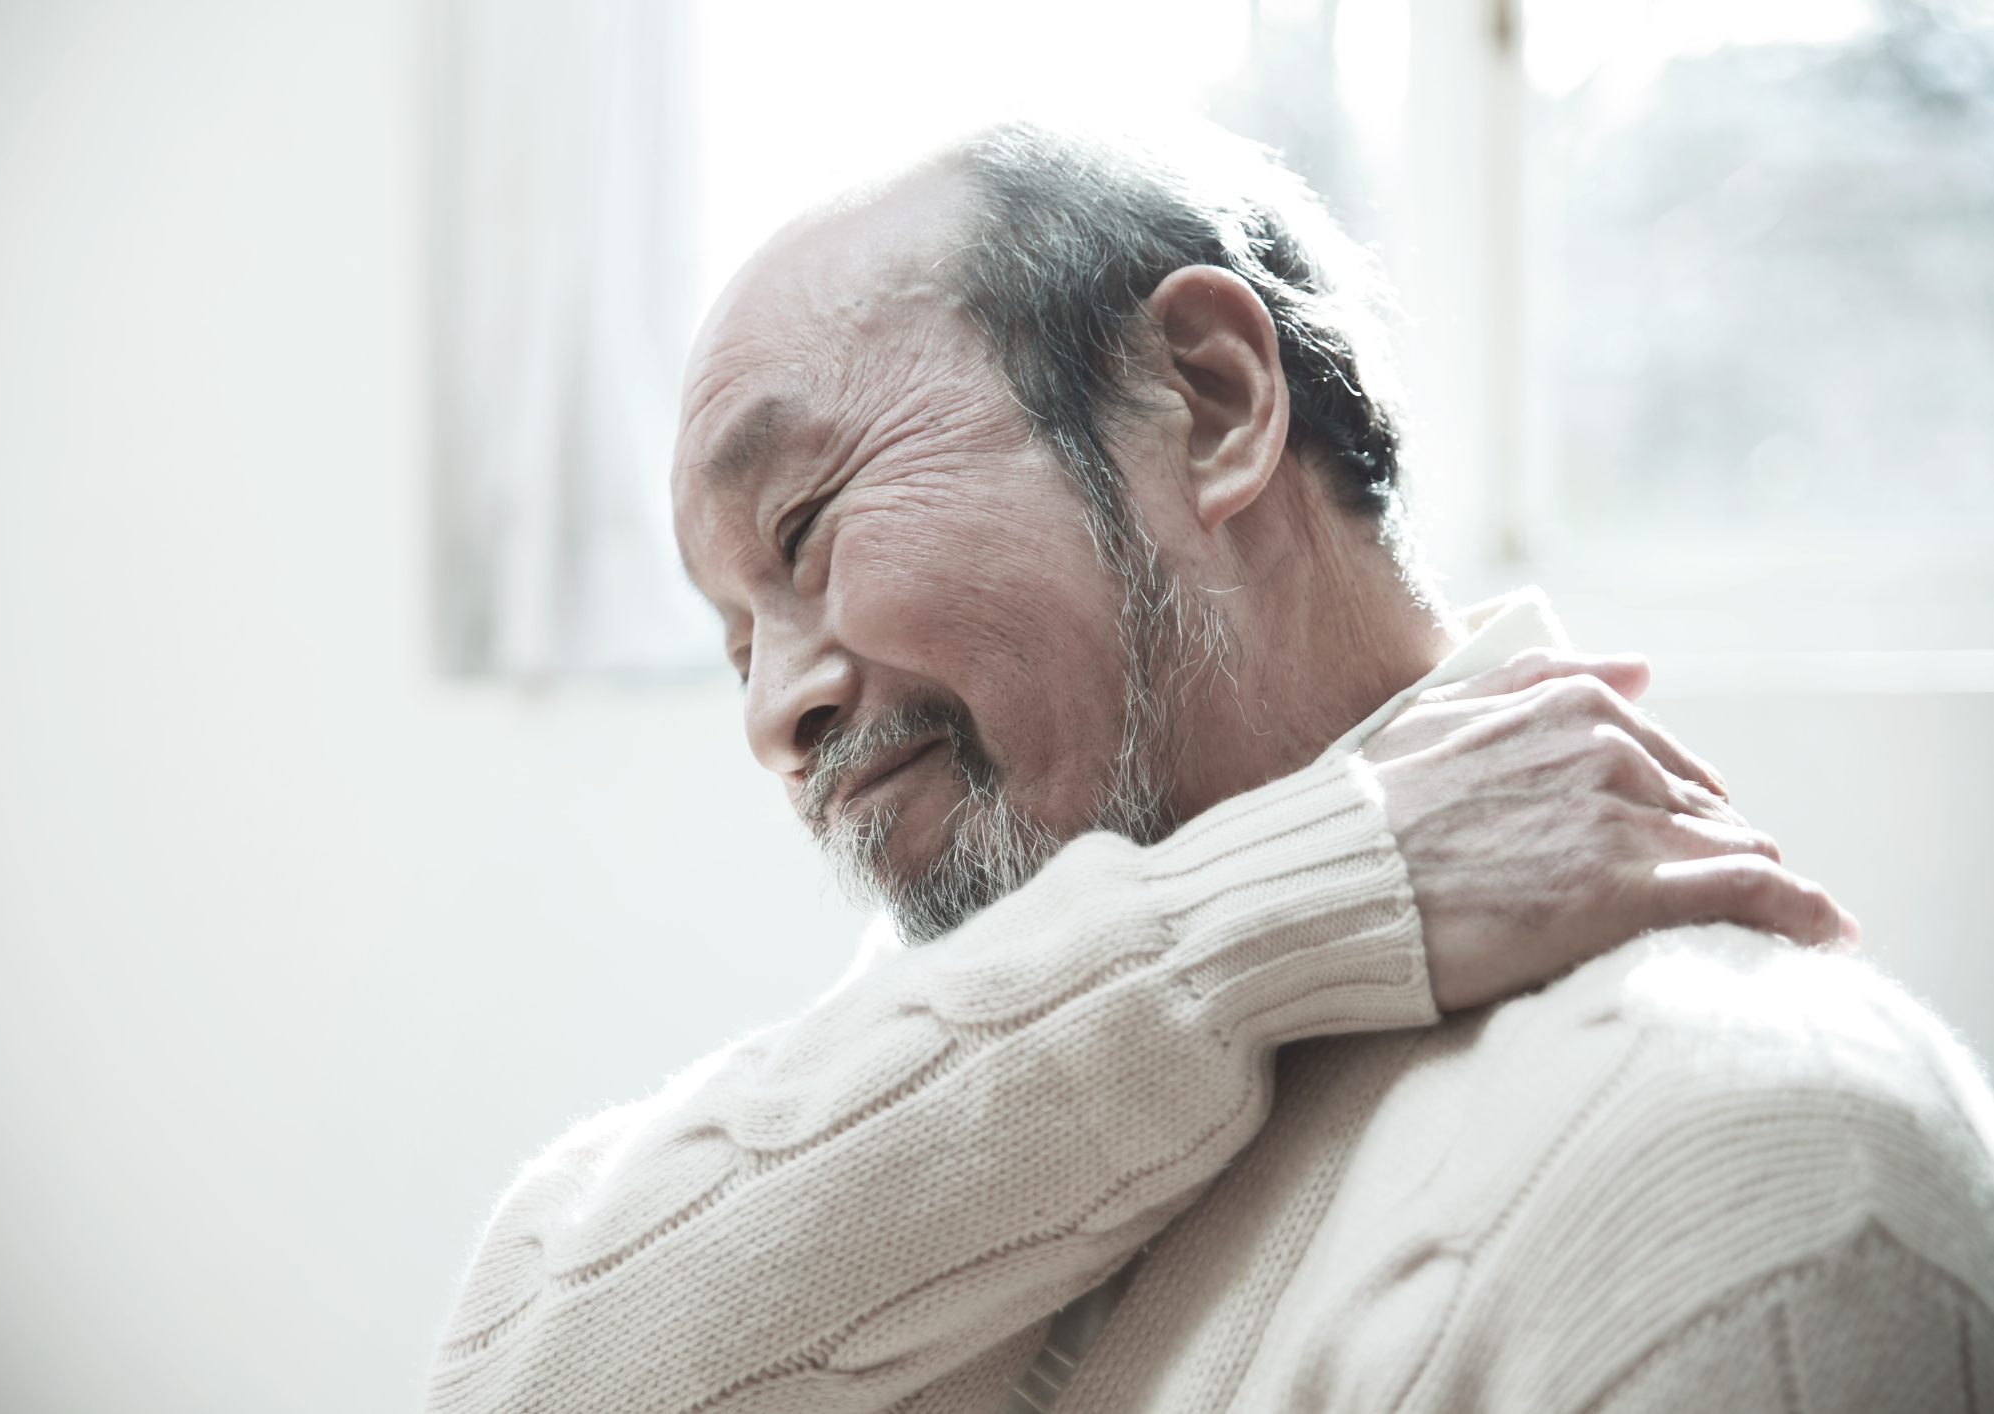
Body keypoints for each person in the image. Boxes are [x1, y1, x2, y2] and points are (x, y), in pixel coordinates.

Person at [425, 124, 1993, 1413]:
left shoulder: (1750, 1152)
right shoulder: (972, 1030)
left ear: (1211, 400)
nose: (773, 713)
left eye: (802, 526)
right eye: (731, 643)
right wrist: (1281, 911)